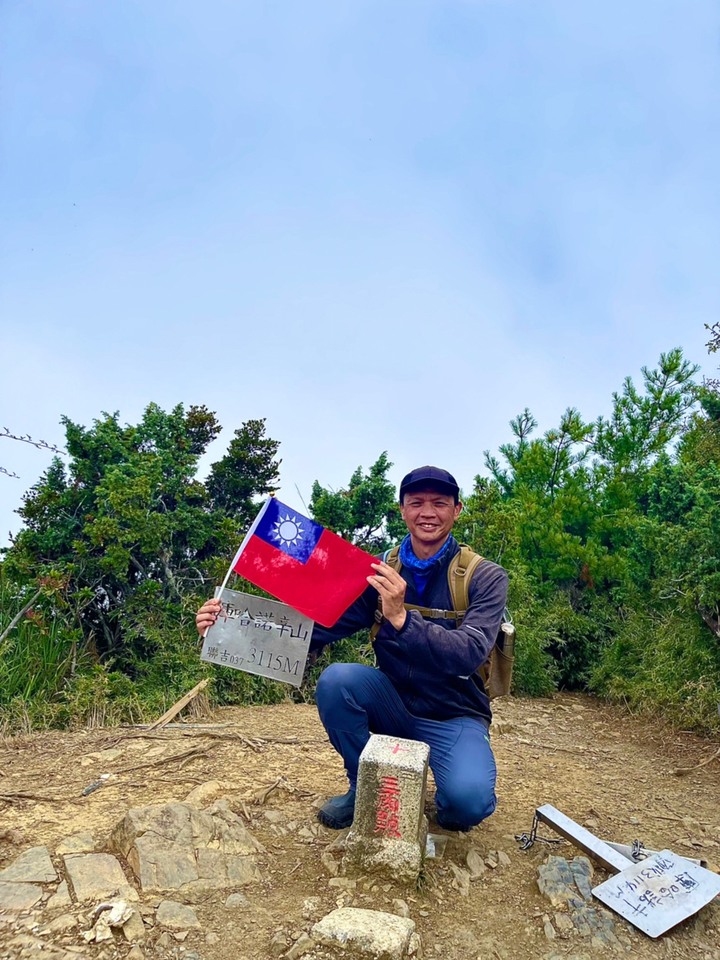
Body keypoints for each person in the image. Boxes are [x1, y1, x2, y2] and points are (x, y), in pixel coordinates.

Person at [196, 465, 508, 833]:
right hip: (392, 705)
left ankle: (439, 791)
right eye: (416, 503)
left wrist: (402, 620)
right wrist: (232, 628)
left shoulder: (485, 577)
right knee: (338, 680)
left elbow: (470, 652)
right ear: (402, 510)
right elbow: (318, 630)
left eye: (440, 503)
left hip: (455, 714)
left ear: (457, 510)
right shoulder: (378, 572)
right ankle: (365, 787)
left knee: (467, 805)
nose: (428, 512)